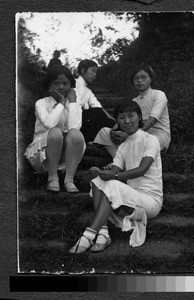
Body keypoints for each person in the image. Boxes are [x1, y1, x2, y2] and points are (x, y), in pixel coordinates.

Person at [69, 101, 163, 254]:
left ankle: (88, 235)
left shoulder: (151, 140)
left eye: (131, 116)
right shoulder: (123, 146)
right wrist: (100, 173)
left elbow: (141, 170)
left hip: (150, 201)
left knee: (112, 185)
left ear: (139, 117)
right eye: (122, 117)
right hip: (130, 198)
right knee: (97, 182)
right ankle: (104, 233)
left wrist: (115, 175)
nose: (127, 121)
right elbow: (112, 174)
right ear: (117, 121)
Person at [24, 65, 85, 193]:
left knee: (76, 135)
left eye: (65, 83)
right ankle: (53, 178)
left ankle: (69, 180)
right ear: (49, 85)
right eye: (56, 84)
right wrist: (61, 102)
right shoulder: (41, 103)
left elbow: (74, 128)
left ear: (71, 85)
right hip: (44, 154)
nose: (61, 87)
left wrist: (72, 102)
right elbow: (50, 124)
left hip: (67, 155)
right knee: (56, 132)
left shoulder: (74, 104)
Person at [94, 64, 171, 159]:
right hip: (136, 134)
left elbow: (152, 120)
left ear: (150, 79)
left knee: (141, 140)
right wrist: (116, 132)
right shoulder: (134, 101)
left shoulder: (159, 95)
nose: (139, 81)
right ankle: (118, 160)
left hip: (157, 136)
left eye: (143, 77)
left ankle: (119, 163)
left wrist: (129, 134)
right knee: (104, 132)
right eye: (136, 78)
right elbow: (126, 122)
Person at [74, 59, 116, 144]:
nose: (94, 74)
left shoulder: (88, 91)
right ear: (83, 70)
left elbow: (100, 108)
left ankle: (117, 130)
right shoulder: (73, 83)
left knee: (98, 112)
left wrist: (116, 123)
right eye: (92, 71)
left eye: (95, 72)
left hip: (83, 122)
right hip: (73, 122)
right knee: (96, 113)